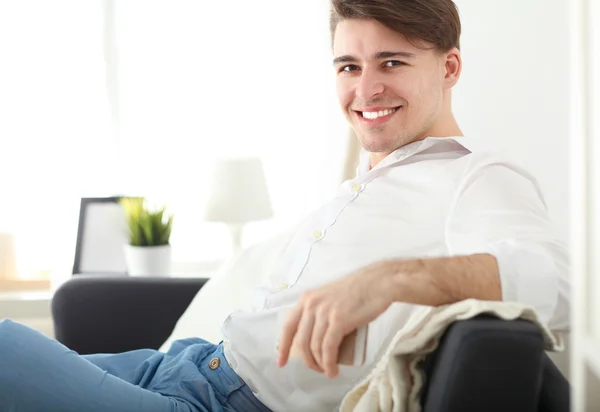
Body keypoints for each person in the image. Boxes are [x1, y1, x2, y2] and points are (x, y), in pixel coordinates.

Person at [0, 0, 570, 411]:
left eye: (392, 62)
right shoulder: (374, 177)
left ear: (449, 67)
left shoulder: (476, 175)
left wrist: (390, 278)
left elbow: (566, 287)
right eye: (348, 66)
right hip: (178, 367)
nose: (365, 89)